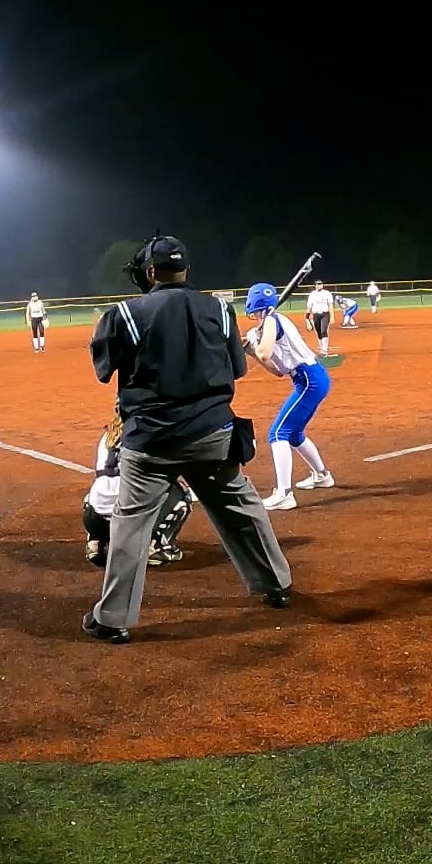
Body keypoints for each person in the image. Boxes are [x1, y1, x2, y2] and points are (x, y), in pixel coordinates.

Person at [85, 235, 292, 643]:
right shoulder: (220, 309)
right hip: (212, 435)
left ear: (150, 272)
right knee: (242, 507)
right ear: (186, 271)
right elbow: (237, 369)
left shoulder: (125, 313)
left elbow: (104, 368)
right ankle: (277, 585)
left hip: (150, 442)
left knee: (130, 526)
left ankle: (113, 619)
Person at [244, 281, 335, 511]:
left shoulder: (272, 321)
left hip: (309, 380)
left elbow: (264, 352)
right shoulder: (272, 322)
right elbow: (277, 370)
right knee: (294, 434)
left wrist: (256, 344)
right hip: (308, 378)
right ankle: (322, 475)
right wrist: (253, 351)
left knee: (278, 433)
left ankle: (284, 494)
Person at [83, 406, 194, 568]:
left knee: (97, 491)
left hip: (94, 520)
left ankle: (96, 541)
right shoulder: (148, 436)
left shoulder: (108, 436)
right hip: (128, 522)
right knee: (180, 493)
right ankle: (155, 547)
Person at [305, 282, 333, 356]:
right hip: (316, 315)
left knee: (323, 331)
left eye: (320, 284)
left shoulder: (327, 293)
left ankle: (324, 350)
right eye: (317, 284)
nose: (318, 285)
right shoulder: (312, 294)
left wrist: (332, 316)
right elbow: (309, 306)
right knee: (318, 332)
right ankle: (321, 349)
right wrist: (307, 317)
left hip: (325, 314)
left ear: (322, 285)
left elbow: (330, 305)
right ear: (315, 286)